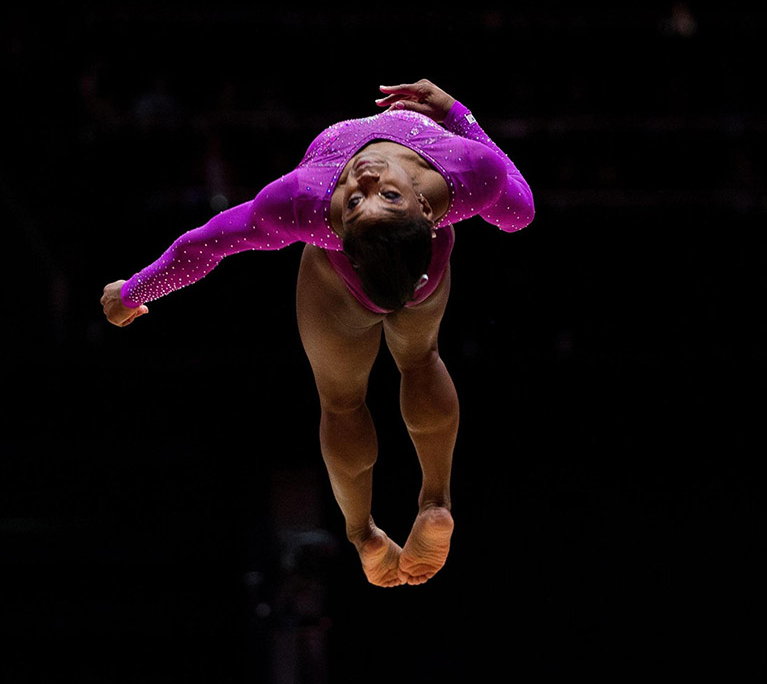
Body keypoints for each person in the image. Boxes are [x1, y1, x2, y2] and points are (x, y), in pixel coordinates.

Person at [100, 79, 534, 586]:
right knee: (421, 359)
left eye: (363, 201)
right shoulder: (468, 175)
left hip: (348, 282)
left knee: (342, 401)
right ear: (421, 208)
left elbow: (205, 245)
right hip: (422, 273)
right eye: (372, 198)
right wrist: (458, 114)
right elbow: (521, 211)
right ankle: (436, 501)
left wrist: (134, 291)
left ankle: (363, 534)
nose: (365, 179)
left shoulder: (306, 201)